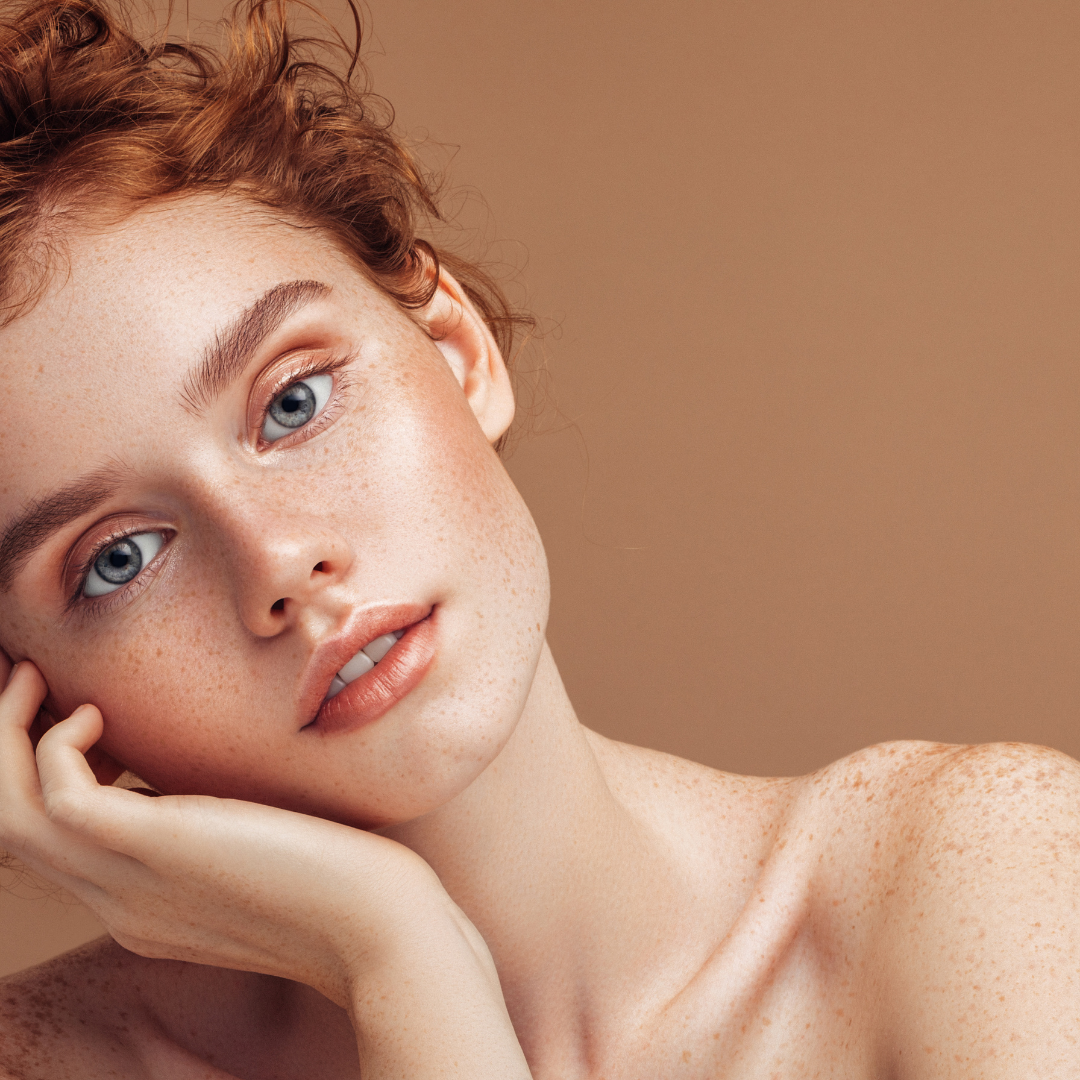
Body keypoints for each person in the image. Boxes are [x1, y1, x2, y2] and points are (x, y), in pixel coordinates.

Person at [0, 0, 1077, 1075]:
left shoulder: (985, 880)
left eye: (294, 403)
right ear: (30, 690)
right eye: (118, 560)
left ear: (457, 349)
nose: (281, 563)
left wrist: (400, 960)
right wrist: (397, 955)